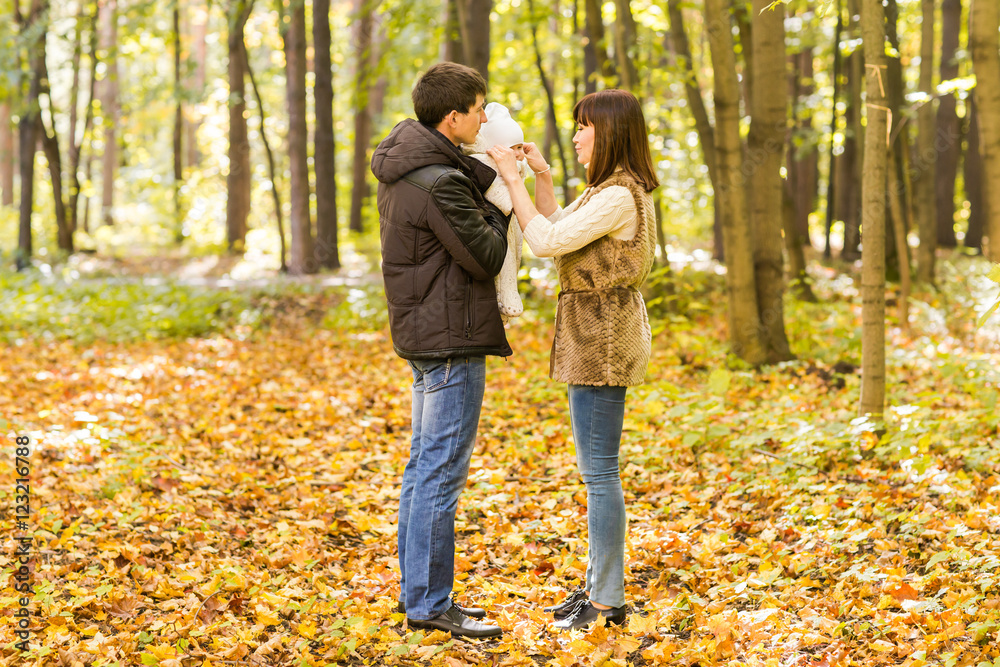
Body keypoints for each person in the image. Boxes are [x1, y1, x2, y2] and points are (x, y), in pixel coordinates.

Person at [488, 89, 659, 631]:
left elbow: (544, 242)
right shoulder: (605, 191)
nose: (577, 135)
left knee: (600, 474)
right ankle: (597, 588)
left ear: (608, 132)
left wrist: (510, 178)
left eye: (584, 126)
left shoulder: (619, 195)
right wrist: (538, 176)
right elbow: (559, 227)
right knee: (596, 471)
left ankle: (607, 600)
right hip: (594, 334)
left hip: (603, 341)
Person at [370, 62, 512, 639]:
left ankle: (419, 596)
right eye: (479, 108)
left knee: (422, 466)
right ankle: (430, 602)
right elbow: (486, 256)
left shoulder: (412, 169)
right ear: (453, 117)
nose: (485, 116)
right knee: (439, 473)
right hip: (449, 340)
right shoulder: (439, 181)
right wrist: (502, 206)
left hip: (427, 336)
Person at [461, 102, 531, 323]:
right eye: (515, 148)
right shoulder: (485, 167)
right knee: (504, 269)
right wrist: (515, 175)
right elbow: (507, 202)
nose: (520, 154)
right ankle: (505, 300)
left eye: (521, 147)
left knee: (513, 261)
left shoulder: (509, 169)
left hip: (509, 235)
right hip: (494, 237)